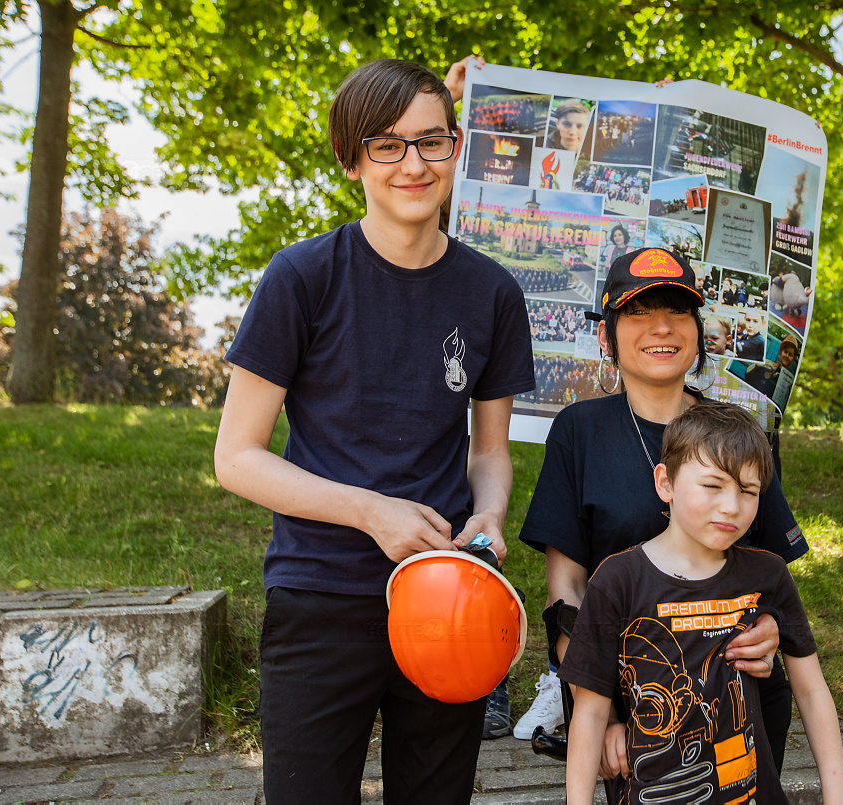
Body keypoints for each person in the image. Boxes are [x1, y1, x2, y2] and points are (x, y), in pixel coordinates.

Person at [214, 59, 535, 804]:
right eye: (387, 145)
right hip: (319, 593)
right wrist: (369, 509)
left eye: (433, 142)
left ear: (457, 148)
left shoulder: (493, 291)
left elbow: (488, 450)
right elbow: (236, 456)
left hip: (449, 597)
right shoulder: (301, 277)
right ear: (352, 158)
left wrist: (487, 513)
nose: (414, 164)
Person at [519, 247, 810, 778]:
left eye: (678, 312)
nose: (662, 327)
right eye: (638, 311)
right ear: (606, 335)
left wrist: (771, 629)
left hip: (740, 699)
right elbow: (567, 600)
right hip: (633, 711)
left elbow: (774, 583)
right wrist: (600, 710)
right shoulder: (578, 432)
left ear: (698, 330)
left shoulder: (739, 433)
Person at [562, 403, 843, 805]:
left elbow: (813, 691)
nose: (731, 505)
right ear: (666, 483)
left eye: (748, 491)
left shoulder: (769, 575)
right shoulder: (615, 581)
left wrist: (838, 797)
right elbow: (589, 714)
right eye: (712, 486)